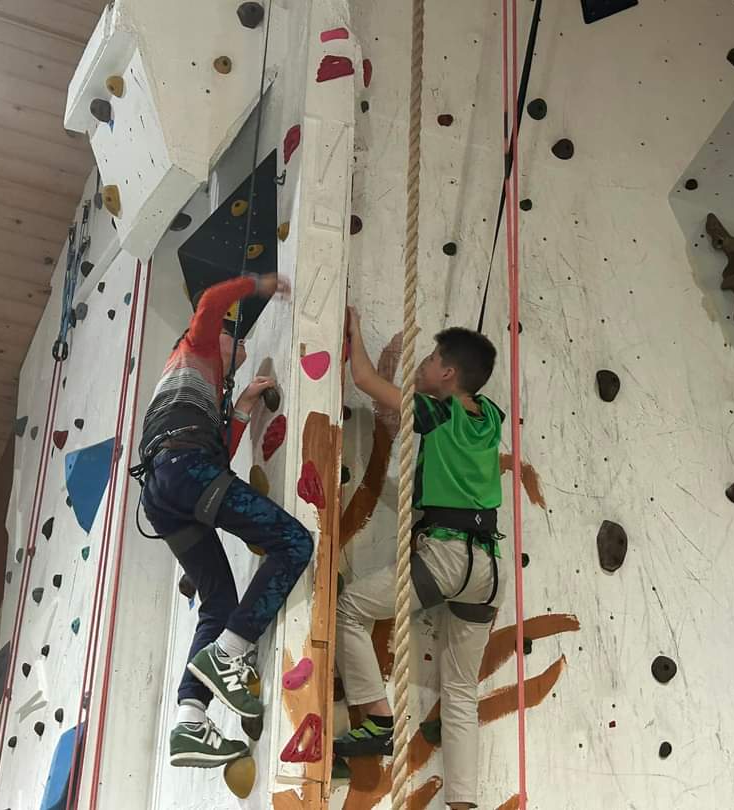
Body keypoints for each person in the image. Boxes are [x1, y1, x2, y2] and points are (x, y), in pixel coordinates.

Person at [138, 272, 314, 768]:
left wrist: (240, 409)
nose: (236, 339)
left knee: (217, 604)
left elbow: (217, 458)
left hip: (163, 491)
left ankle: (190, 720)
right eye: (229, 334)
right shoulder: (194, 349)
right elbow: (211, 301)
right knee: (294, 542)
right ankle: (228, 653)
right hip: (185, 470)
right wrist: (258, 284)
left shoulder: (190, 388)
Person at [334, 308, 506, 810]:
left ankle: (378, 718)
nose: (423, 364)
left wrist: (354, 332)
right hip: (488, 568)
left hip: (447, 556)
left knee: (350, 607)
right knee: (460, 691)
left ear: (448, 373)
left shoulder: (439, 413)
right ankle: (464, 804)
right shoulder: (490, 416)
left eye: (431, 359)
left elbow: (365, 380)